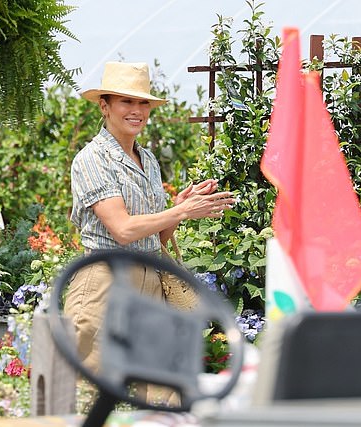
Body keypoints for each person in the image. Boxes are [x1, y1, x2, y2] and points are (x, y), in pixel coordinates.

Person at [64, 61, 236, 401]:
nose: (137, 110)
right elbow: (123, 230)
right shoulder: (93, 159)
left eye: (143, 103)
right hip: (104, 284)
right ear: (105, 106)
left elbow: (153, 237)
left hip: (150, 285)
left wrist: (179, 208)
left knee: (164, 397)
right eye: (127, 102)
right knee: (86, 397)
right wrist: (180, 209)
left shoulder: (149, 160)